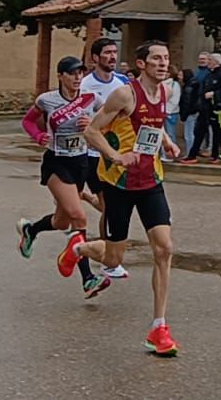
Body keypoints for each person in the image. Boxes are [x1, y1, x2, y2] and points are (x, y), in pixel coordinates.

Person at [61, 40, 182, 357]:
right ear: (141, 63)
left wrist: (167, 142)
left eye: (166, 58)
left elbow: (153, 125)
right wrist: (115, 156)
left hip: (151, 180)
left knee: (165, 249)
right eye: (156, 58)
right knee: (113, 259)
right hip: (119, 184)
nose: (162, 63)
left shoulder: (165, 92)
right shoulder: (125, 94)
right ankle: (78, 248)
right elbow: (92, 132)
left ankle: (159, 327)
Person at [16, 55, 110, 298]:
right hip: (57, 163)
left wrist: (93, 123)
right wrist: (38, 136)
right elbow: (28, 122)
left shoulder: (91, 98)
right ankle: (88, 278)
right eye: (72, 73)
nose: (77, 77)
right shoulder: (47, 100)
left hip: (80, 162)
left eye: (80, 73)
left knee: (62, 222)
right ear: (60, 76)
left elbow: (110, 120)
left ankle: (31, 229)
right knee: (78, 215)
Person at [79, 38, 133, 280]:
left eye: (114, 52)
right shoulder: (85, 85)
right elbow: (81, 117)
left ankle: (107, 251)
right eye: (107, 53)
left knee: (108, 206)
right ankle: (107, 256)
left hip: (120, 154)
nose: (112, 56)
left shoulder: (123, 83)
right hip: (94, 153)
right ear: (95, 58)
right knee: (110, 206)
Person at [162, 66, 183, 162]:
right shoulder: (161, 83)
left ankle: (171, 154)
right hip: (162, 112)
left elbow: (175, 100)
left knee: (170, 134)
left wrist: (168, 112)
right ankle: (163, 154)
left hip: (171, 113)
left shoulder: (175, 85)